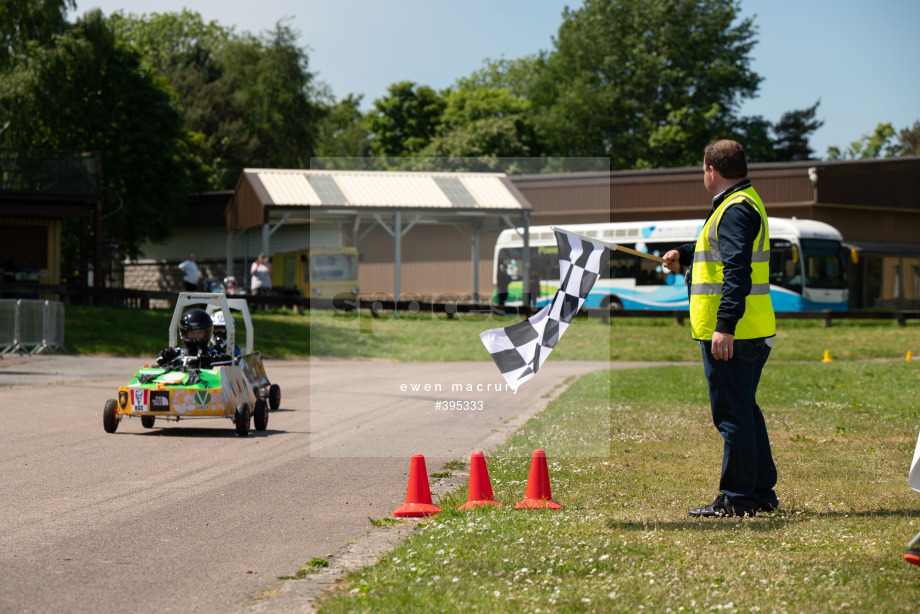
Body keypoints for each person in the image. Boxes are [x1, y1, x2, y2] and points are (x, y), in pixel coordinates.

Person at [663, 139, 778, 518]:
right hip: (749, 329)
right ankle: (760, 493)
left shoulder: (734, 210)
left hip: (735, 334)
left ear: (711, 170)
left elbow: (737, 271)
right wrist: (685, 251)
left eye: (702, 169)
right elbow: (722, 251)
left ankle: (736, 499)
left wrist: (724, 326)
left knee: (732, 416)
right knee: (745, 411)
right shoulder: (739, 203)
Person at [156, 309, 232, 370]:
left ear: (206, 333)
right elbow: (160, 359)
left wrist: (206, 361)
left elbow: (229, 360)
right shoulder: (179, 353)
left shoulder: (213, 353)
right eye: (192, 333)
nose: (196, 336)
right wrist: (167, 355)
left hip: (208, 387)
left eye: (199, 333)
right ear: (184, 333)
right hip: (180, 385)